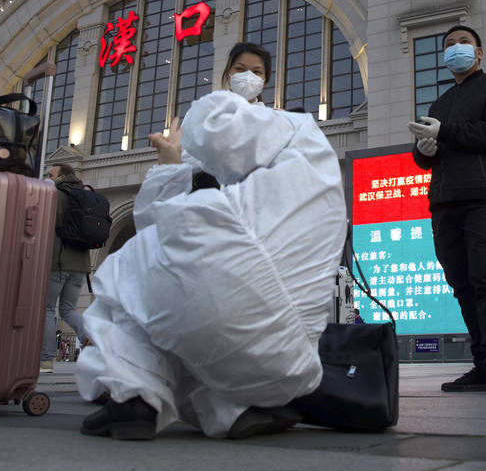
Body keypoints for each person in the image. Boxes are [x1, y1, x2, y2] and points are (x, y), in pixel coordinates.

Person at [75, 90, 346, 440]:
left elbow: (213, 123)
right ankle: (233, 410)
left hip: (225, 318)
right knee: (191, 328)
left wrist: (175, 155)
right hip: (290, 368)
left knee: (125, 272)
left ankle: (133, 397)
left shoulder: (292, 128)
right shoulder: (315, 190)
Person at [408, 25, 486, 396]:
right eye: (449, 45)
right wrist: (423, 151)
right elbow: (428, 152)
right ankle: (482, 364)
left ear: (479, 52)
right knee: (461, 285)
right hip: (443, 200)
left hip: (483, 196)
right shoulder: (439, 104)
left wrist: (445, 134)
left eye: (464, 43)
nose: (456, 49)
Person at [41, 163, 94, 374]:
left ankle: (46, 361)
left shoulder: (57, 196)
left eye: (52, 174)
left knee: (47, 310)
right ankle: (88, 337)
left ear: (62, 177)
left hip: (59, 262)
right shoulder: (86, 195)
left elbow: (48, 225)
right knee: (68, 309)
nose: (49, 177)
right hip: (80, 265)